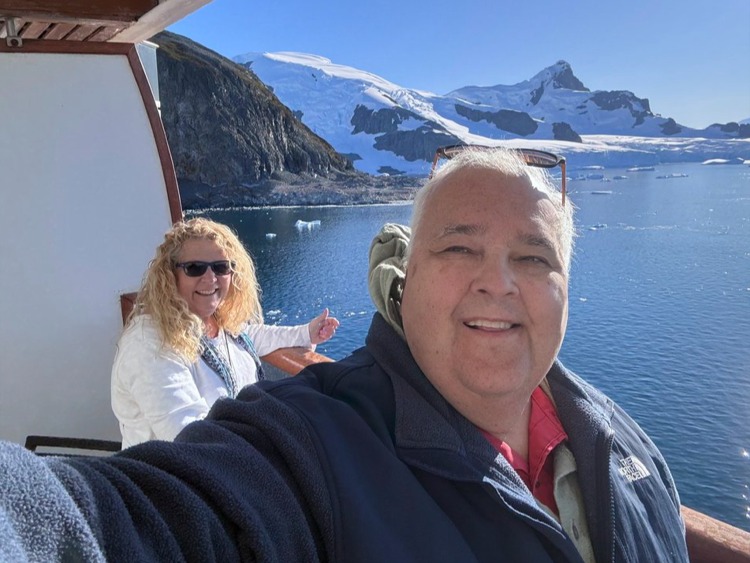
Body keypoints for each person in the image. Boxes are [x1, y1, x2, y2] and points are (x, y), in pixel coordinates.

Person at [0, 148, 688, 562]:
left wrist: (305, 331)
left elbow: (253, 339)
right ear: (405, 282)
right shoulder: (310, 446)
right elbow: (139, 519)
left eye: (535, 257)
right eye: (459, 247)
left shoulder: (626, 447)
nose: (499, 282)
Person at [112, 217, 340, 447]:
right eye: (195, 268)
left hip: (234, 454)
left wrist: (305, 333)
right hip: (184, 466)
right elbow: (190, 436)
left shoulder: (218, 323)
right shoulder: (149, 342)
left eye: (220, 267)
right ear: (170, 275)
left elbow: (252, 336)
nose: (210, 278)